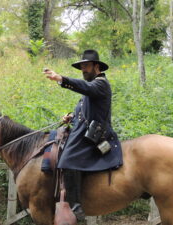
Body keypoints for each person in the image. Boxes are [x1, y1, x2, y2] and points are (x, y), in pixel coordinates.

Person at [44, 49, 123, 219]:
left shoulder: (100, 83)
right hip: (84, 129)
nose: (83, 70)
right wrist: (71, 117)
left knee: (67, 159)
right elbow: (85, 111)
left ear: (96, 66)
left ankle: (77, 207)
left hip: (96, 134)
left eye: (86, 66)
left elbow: (85, 87)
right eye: (81, 67)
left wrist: (61, 79)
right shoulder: (92, 86)